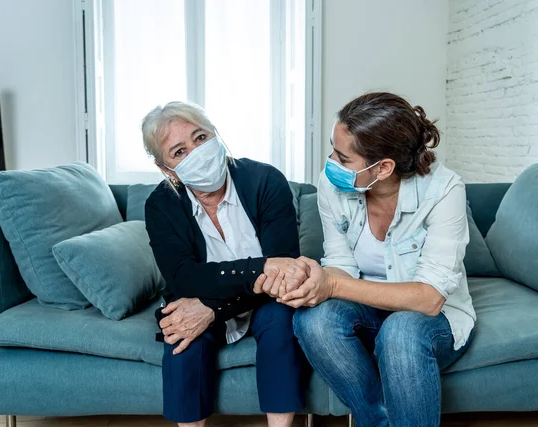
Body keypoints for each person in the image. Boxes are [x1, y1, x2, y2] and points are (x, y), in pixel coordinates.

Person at [284, 92, 476, 427]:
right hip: (369, 310)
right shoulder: (332, 188)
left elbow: (429, 299)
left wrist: (333, 285)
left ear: (384, 167)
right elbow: (340, 263)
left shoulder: (444, 190)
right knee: (311, 319)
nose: (331, 163)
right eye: (333, 149)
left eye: (343, 159)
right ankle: (377, 421)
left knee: (400, 330)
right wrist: (316, 281)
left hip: (434, 319)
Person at [142, 101, 308, 427]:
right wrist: (257, 270)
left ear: (215, 135)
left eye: (200, 137)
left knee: (280, 318)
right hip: (203, 294)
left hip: (267, 298)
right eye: (179, 151)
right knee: (180, 331)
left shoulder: (265, 181)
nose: (196, 152)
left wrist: (213, 308)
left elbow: (283, 271)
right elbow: (183, 277)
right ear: (166, 169)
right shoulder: (161, 205)